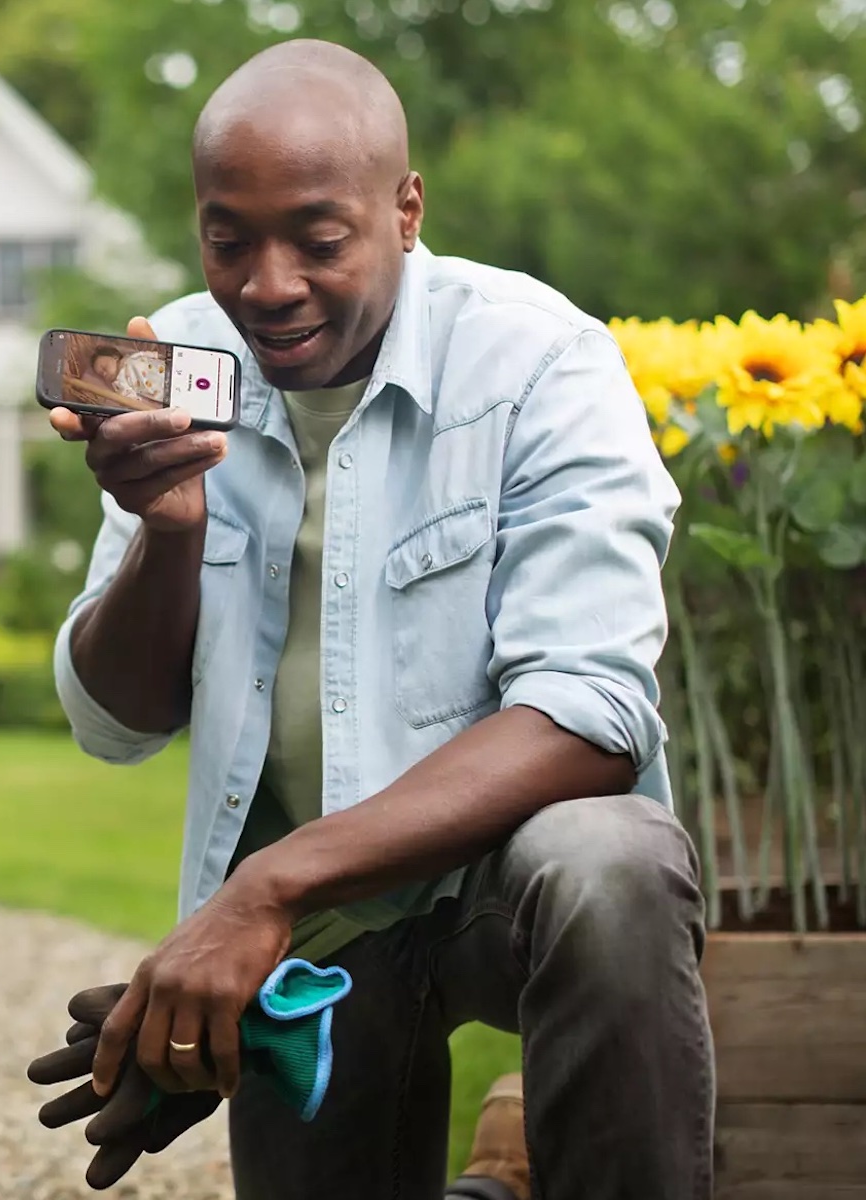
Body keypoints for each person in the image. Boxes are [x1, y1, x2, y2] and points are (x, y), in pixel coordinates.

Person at [46, 37, 714, 1200]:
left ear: (405, 210)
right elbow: (118, 723)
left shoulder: (540, 361)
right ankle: (499, 1184)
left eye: (318, 239)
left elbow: (592, 711)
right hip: (320, 950)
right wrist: (167, 530)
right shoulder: (179, 361)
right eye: (227, 237)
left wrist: (259, 896)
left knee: (612, 858)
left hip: (491, 896)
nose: (264, 285)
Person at [87, 343, 167, 408]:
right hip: (161, 390)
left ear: (115, 357)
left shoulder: (130, 357)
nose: (104, 373)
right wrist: (136, 402)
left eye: (104, 368)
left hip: (164, 369)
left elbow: (143, 354)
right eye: (101, 375)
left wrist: (156, 355)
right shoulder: (119, 382)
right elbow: (129, 397)